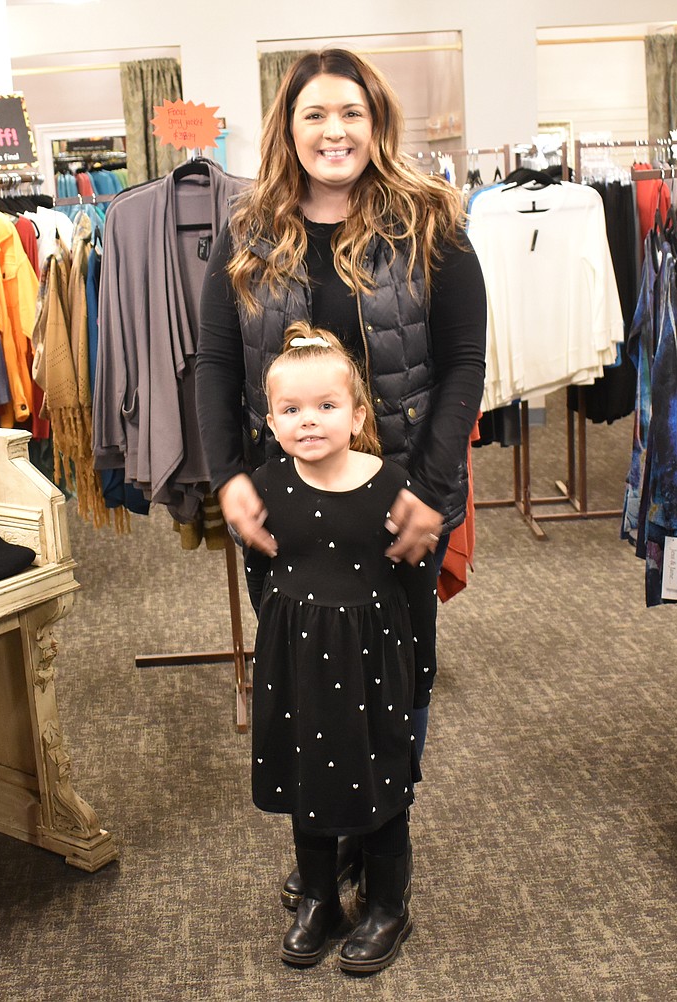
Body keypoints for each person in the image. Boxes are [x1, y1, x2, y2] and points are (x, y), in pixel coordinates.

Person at [196, 49, 487, 969]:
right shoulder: (247, 230)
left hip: (397, 501)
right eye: (315, 114)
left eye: (351, 113)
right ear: (289, 126)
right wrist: (227, 478)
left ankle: (380, 869)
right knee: (304, 680)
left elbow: (462, 365)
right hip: (282, 504)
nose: (334, 132)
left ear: (377, 120)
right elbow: (211, 364)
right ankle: (328, 861)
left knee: (394, 688)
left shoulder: (431, 220)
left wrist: (433, 494)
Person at [247, 323, 417, 971]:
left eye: (326, 407)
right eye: (291, 411)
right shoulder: (264, 486)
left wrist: (415, 676)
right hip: (297, 664)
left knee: (380, 777)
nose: (308, 422)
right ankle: (319, 897)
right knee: (307, 773)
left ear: (358, 415)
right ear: (270, 420)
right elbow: (263, 575)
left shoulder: (392, 485)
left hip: (373, 662)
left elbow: (414, 588)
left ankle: (388, 906)